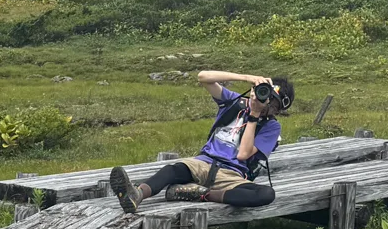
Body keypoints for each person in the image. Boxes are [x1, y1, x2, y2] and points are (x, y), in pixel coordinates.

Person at [110, 71, 294, 213]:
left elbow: (243, 154)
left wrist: (254, 115)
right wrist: (247, 78)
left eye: (274, 107)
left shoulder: (271, 127)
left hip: (232, 175)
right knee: (172, 170)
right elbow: (203, 77)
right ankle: (136, 195)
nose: (268, 107)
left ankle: (201, 194)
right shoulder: (234, 102)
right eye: (268, 99)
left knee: (266, 194)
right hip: (203, 162)